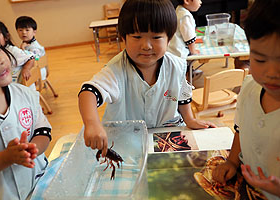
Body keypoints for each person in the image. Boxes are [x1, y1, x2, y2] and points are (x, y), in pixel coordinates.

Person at [78, 0, 216, 156]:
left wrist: (190, 119)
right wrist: (92, 124)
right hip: (126, 138)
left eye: (156, 37)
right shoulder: (115, 70)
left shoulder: (176, 65)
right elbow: (88, 92)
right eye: (137, 37)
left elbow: (182, 96)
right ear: (124, 38)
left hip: (166, 135)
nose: (146, 46)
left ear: (169, 39)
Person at [212, 0, 280, 199]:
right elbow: (241, 128)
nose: (271, 73)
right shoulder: (250, 87)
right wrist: (232, 162)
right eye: (259, 59)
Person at [0, 18, 52, 199]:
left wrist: (32, 148)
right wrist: (6, 158)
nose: (1, 60)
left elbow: (43, 130)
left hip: (38, 186)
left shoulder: (23, 93)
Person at [0, 19, 35, 85]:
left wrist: (26, 69)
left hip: (19, 88)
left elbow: (31, 57)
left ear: (6, 37)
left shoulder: (12, 51)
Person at [167, 0, 203, 81]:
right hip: (178, 51)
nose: (200, 2)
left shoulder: (179, 10)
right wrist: (193, 51)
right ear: (187, 1)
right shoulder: (185, 16)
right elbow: (189, 37)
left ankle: (190, 71)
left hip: (172, 48)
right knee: (188, 60)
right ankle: (188, 75)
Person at [15, 16, 47, 80]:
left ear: (34, 32)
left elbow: (35, 59)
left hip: (38, 73)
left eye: (27, 30)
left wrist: (23, 49)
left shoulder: (35, 47)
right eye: (20, 30)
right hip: (36, 71)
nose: (24, 32)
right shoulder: (27, 43)